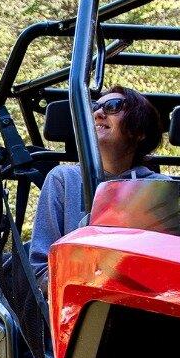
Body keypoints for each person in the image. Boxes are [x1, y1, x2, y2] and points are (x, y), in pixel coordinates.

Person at [29, 87, 163, 295]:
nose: (98, 113)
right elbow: (40, 271)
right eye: (94, 108)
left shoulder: (160, 188)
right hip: (77, 306)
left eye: (113, 107)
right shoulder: (63, 180)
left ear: (138, 131)